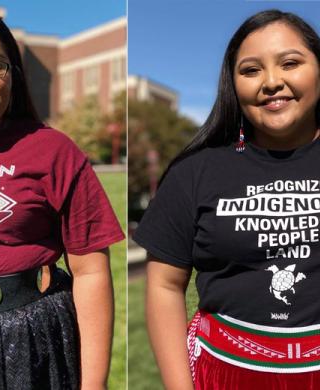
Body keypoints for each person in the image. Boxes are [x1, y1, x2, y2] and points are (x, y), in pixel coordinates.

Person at [0, 7, 124, 390]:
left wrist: (94, 384)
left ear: (13, 78)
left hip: (34, 339)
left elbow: (90, 272)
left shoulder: (52, 150)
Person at [133, 9, 320, 390]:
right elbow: (165, 287)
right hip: (225, 372)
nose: (272, 82)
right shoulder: (194, 172)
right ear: (232, 84)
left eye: (290, 63)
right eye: (251, 70)